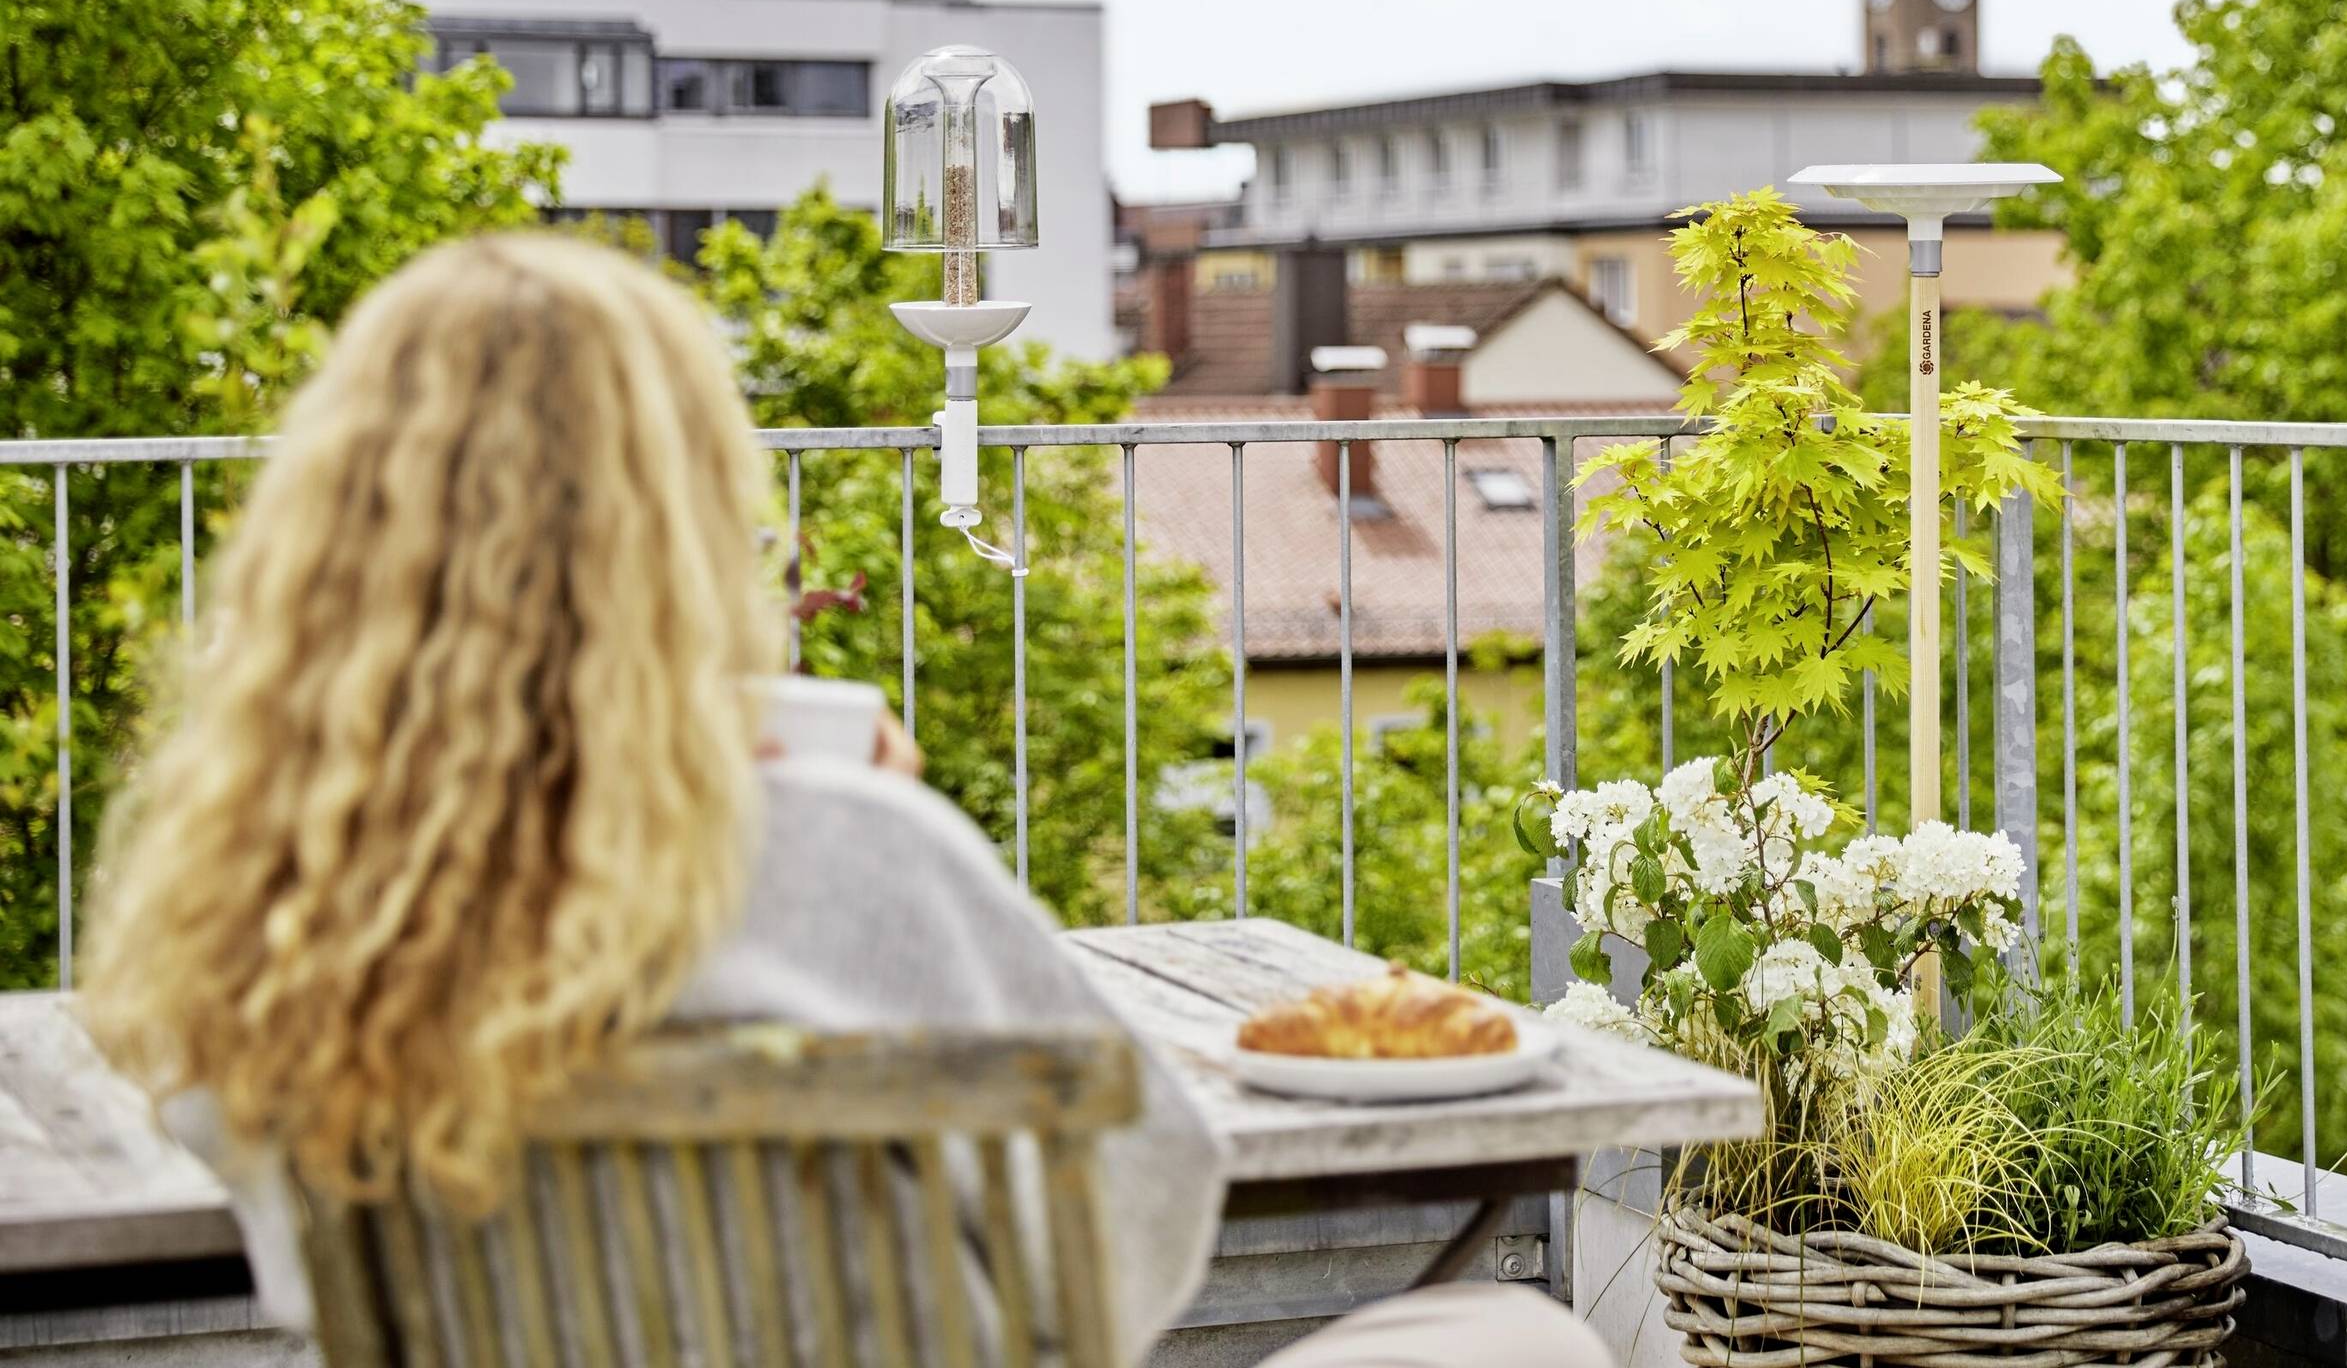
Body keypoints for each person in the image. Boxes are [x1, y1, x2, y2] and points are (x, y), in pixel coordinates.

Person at [83, 233, 1606, 1368]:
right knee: (1521, 1340)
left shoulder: (279, 914)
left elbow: (288, 1266)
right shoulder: (847, 849)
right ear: (685, 521)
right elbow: (1137, 1231)